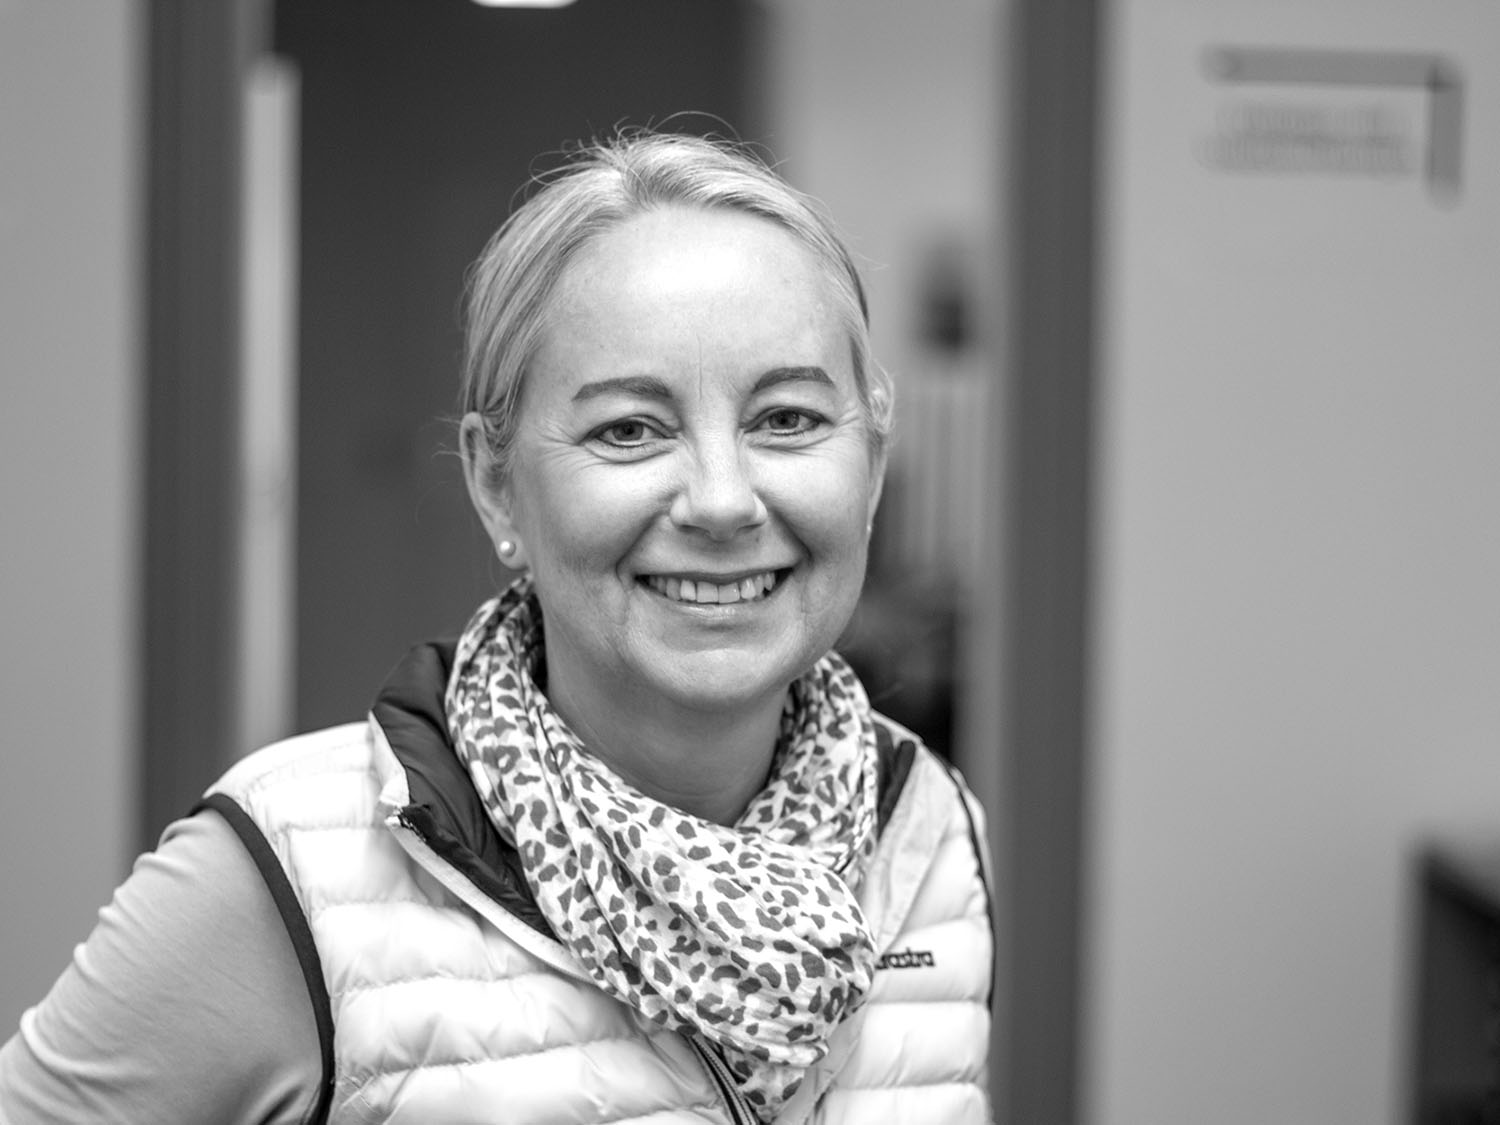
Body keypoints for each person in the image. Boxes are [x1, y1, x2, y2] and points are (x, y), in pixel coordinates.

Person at [0, 131, 994, 1125]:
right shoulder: (288, 868)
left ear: (872, 462)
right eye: (629, 429)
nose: (723, 501)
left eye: (786, 419)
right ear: (495, 483)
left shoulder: (932, 832)